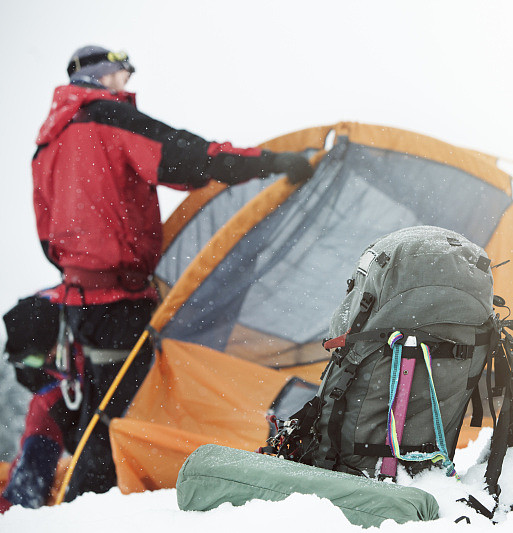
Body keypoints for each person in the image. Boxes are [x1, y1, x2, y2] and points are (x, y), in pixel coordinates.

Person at [29, 45, 314, 503]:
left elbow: (47, 236)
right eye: (123, 73)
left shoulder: (48, 142)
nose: (127, 83)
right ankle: (106, 503)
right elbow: (189, 156)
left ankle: (91, 502)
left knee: (102, 411)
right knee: (130, 414)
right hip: (120, 302)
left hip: (79, 303)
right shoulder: (108, 118)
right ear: (105, 76)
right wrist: (269, 162)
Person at [1, 291, 84, 513]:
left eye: (36, 358)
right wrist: (12, 513)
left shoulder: (92, 331)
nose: (41, 365)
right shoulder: (53, 387)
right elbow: (36, 447)